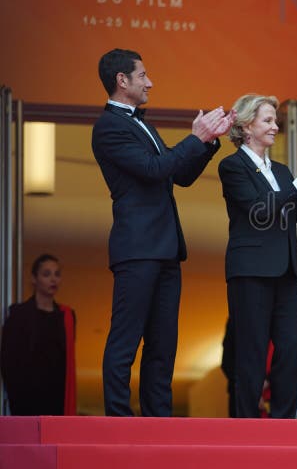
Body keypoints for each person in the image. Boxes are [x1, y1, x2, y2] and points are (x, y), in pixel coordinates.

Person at [92, 48, 234, 417]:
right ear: (121, 81)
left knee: (163, 344)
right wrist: (194, 138)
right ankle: (119, 421)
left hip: (167, 249)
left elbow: (178, 175)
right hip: (137, 249)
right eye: (143, 76)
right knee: (126, 340)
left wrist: (207, 142)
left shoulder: (142, 124)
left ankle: (159, 422)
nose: (150, 82)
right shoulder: (108, 127)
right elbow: (155, 169)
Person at [219, 93, 297, 418]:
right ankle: (247, 426)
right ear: (247, 126)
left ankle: (283, 423)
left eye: (275, 120)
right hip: (250, 271)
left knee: (291, 349)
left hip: (285, 272)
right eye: (267, 120)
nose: (275, 126)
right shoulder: (232, 166)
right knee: (251, 352)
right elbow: (259, 210)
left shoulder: (281, 171)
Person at [0, 254, 76, 415]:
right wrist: (17, 396)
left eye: (57, 274)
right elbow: (8, 361)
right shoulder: (19, 314)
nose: (53, 279)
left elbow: (67, 362)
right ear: (34, 279)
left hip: (57, 397)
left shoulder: (66, 315)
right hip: (25, 399)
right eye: (46, 274)